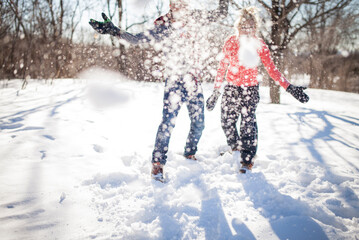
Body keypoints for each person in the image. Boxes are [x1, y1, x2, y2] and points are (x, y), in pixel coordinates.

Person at [89, 0, 229, 182]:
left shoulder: (195, 19)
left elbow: (221, 13)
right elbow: (137, 39)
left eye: (183, 3)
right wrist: (114, 31)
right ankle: (158, 163)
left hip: (194, 82)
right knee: (168, 123)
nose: (180, 7)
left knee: (199, 123)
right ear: (171, 6)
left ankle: (190, 152)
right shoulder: (164, 27)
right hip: (174, 82)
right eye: (176, 4)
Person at [206, 7, 309, 173]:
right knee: (226, 122)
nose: (247, 30)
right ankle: (236, 148)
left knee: (248, 124)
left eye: (250, 27)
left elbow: (272, 70)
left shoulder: (260, 45)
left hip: (250, 89)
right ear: (238, 27)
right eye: (243, 27)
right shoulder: (230, 42)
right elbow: (222, 67)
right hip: (231, 88)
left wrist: (288, 87)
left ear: (255, 29)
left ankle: (247, 159)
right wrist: (216, 91)